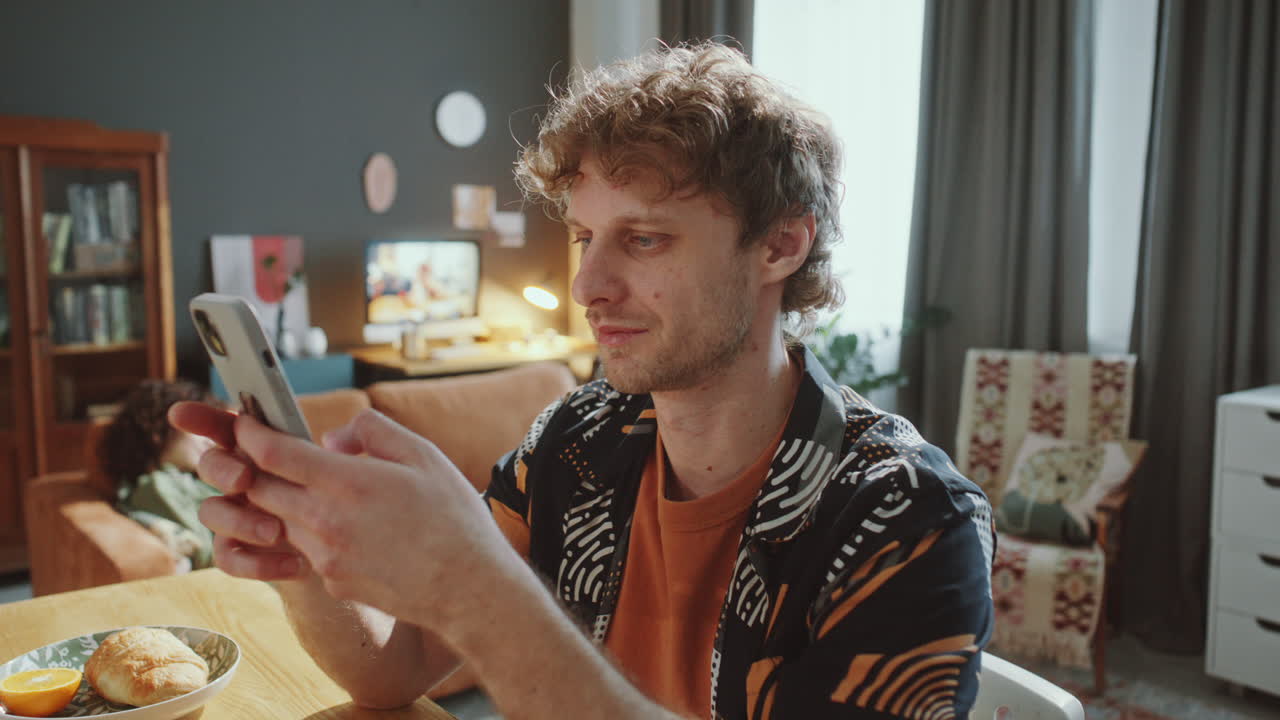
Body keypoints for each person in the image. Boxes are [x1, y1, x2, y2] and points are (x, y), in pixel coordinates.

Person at [172, 42, 994, 719]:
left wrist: (476, 592)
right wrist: (302, 561)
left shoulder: (908, 521)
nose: (586, 288)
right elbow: (395, 673)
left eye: (642, 240)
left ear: (780, 246)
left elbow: (474, 613)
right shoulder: (576, 440)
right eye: (585, 237)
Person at [101, 379, 220, 571]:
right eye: (200, 431)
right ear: (161, 426)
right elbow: (208, 554)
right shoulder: (156, 486)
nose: (209, 442)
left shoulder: (193, 480)